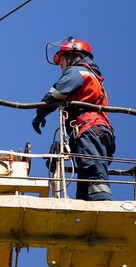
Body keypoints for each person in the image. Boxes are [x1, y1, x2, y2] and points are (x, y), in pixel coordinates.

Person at [31, 37, 115, 201]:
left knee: (93, 171)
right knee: (85, 179)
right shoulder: (92, 76)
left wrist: (40, 112)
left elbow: (56, 93)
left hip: (88, 130)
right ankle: (88, 208)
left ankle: (103, 204)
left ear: (73, 55)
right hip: (95, 132)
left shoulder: (77, 72)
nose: (60, 64)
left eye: (61, 58)